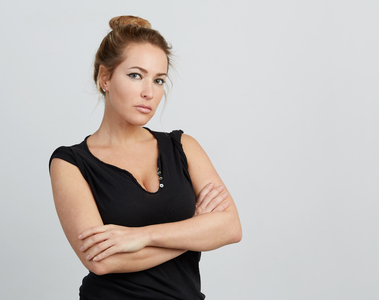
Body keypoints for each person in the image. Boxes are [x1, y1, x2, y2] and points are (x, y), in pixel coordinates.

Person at [49, 15, 242, 300]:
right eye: (135, 75)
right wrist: (194, 227)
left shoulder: (183, 147)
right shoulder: (70, 163)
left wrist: (141, 236)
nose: (149, 93)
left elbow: (230, 227)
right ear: (105, 77)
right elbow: (101, 260)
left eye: (159, 80)